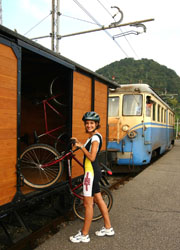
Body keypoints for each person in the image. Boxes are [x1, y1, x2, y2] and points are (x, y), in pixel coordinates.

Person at [69, 111, 115, 243]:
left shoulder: (95, 138)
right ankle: (108, 227)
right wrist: (78, 142)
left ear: (96, 124)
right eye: (87, 123)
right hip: (93, 172)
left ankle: (84, 235)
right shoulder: (94, 136)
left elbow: (92, 157)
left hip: (91, 174)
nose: (89, 125)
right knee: (99, 200)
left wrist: (81, 146)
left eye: (91, 123)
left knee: (88, 204)